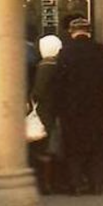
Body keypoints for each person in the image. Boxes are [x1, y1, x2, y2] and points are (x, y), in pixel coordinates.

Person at [54, 18, 103, 195]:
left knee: (73, 149)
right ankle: (96, 184)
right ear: (89, 31)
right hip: (96, 109)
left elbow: (59, 84)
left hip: (72, 111)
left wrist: (60, 109)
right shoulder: (102, 51)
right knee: (96, 148)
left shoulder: (65, 52)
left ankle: (76, 184)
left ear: (73, 32)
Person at [31, 35, 63, 195]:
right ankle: (55, 182)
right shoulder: (60, 65)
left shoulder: (45, 66)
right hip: (56, 110)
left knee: (44, 149)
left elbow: (38, 91)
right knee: (54, 147)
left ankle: (45, 184)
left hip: (45, 111)